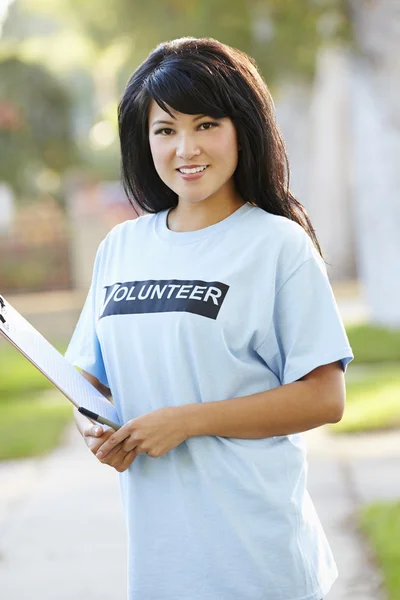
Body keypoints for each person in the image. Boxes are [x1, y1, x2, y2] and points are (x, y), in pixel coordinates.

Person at [65, 36, 354, 600]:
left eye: (205, 124)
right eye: (165, 130)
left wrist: (187, 420)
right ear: (143, 140)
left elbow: (325, 397)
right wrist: (94, 428)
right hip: (162, 562)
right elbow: (88, 381)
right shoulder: (121, 248)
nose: (185, 148)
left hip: (259, 560)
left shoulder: (277, 245)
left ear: (241, 127)